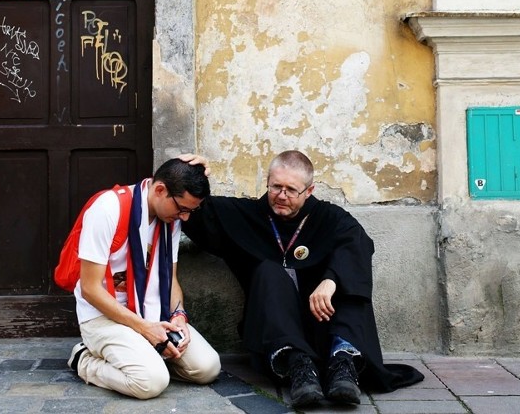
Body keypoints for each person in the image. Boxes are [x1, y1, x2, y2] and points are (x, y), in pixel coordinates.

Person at [181, 150, 424, 408]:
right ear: (267, 182)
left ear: (309, 190)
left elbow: (357, 243)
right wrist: (193, 175)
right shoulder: (248, 214)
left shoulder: (329, 218)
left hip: (325, 325)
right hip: (275, 334)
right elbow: (190, 210)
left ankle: (343, 364)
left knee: (347, 278)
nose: (281, 195)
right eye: (276, 186)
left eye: (291, 189)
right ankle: (298, 366)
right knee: (267, 271)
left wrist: (331, 280)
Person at [67, 158, 221, 399]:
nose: (186, 217)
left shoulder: (171, 219)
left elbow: (171, 280)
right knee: (151, 382)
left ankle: (147, 359)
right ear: (160, 190)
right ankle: (84, 360)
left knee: (207, 368)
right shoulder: (108, 208)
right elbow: (89, 289)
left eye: (191, 211)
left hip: (152, 313)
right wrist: (145, 329)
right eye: (182, 209)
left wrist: (179, 316)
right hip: (103, 317)